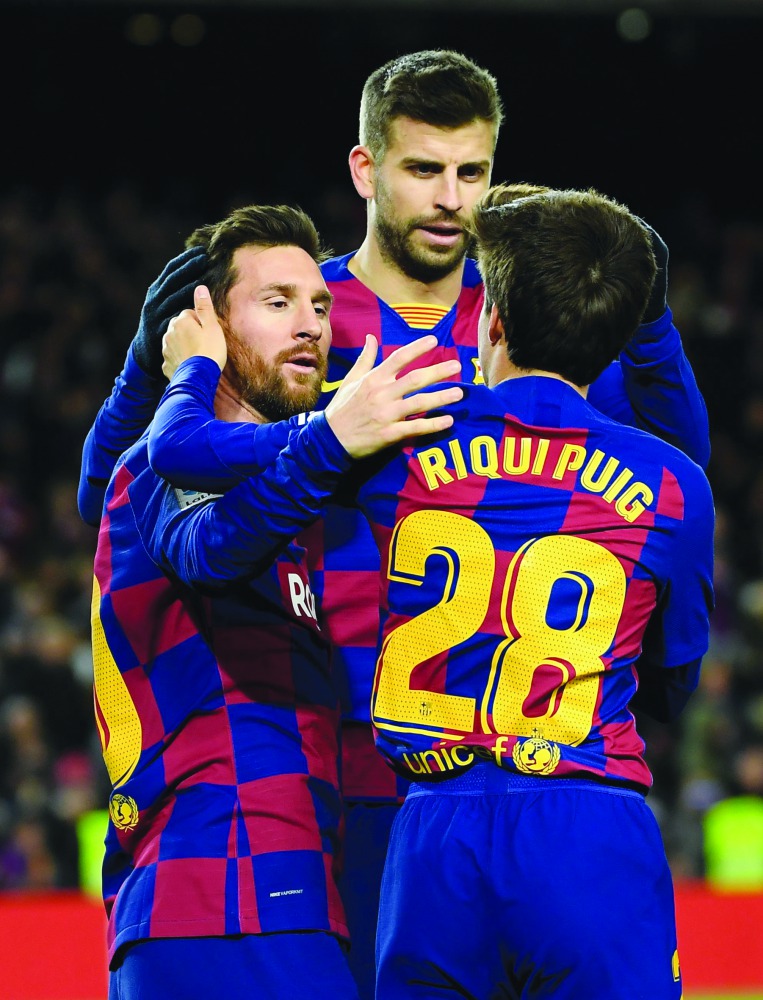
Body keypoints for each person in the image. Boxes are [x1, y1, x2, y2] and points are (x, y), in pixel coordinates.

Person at [79, 50, 711, 997]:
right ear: (365, 171)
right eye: (424, 170)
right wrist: (146, 369)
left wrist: (653, 326)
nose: (453, 199)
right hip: (327, 771)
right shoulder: (299, 316)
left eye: (474, 172)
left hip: (474, 764)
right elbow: (121, 502)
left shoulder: (534, 313)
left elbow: (669, 467)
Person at [90, 202, 463, 1000]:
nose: (310, 325)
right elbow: (213, 549)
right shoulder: (163, 468)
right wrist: (329, 436)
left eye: (319, 303)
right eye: (276, 302)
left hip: (244, 898)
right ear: (207, 326)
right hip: (231, 888)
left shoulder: (278, 497)